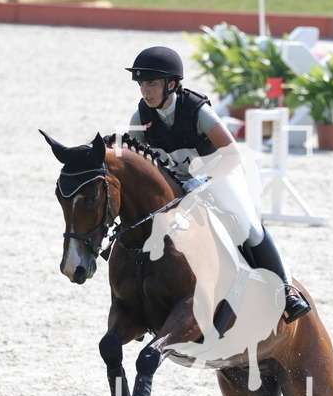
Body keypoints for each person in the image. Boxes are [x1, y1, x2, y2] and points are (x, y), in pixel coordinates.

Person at [124, 45, 311, 324]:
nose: (145, 91)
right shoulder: (140, 117)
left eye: (151, 83)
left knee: (247, 223)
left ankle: (286, 292)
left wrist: (204, 180)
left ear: (171, 84)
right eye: (142, 85)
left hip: (218, 174)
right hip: (177, 180)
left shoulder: (198, 111)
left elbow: (232, 154)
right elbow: (136, 160)